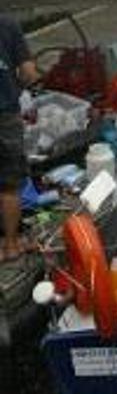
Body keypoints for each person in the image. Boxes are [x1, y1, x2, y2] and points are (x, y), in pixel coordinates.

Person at [0, 15, 37, 262]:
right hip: (5, 114)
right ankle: (11, 246)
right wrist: (17, 86)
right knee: (9, 187)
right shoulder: (8, 25)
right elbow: (29, 73)